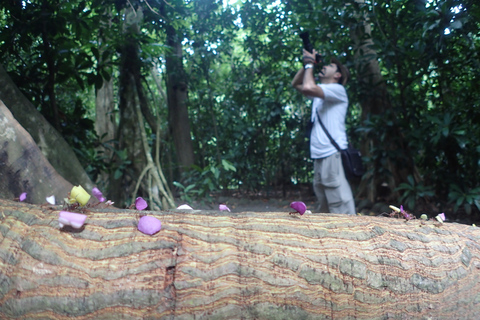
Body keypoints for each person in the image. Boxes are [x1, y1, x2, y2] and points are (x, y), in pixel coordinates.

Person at [292, 48, 355, 215]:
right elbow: (297, 84)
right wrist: (307, 64)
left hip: (331, 154)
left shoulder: (337, 90)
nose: (325, 66)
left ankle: (351, 237)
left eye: (331, 66)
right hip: (320, 156)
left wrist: (310, 64)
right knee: (325, 206)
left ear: (337, 75)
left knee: (340, 206)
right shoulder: (320, 92)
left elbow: (307, 87)